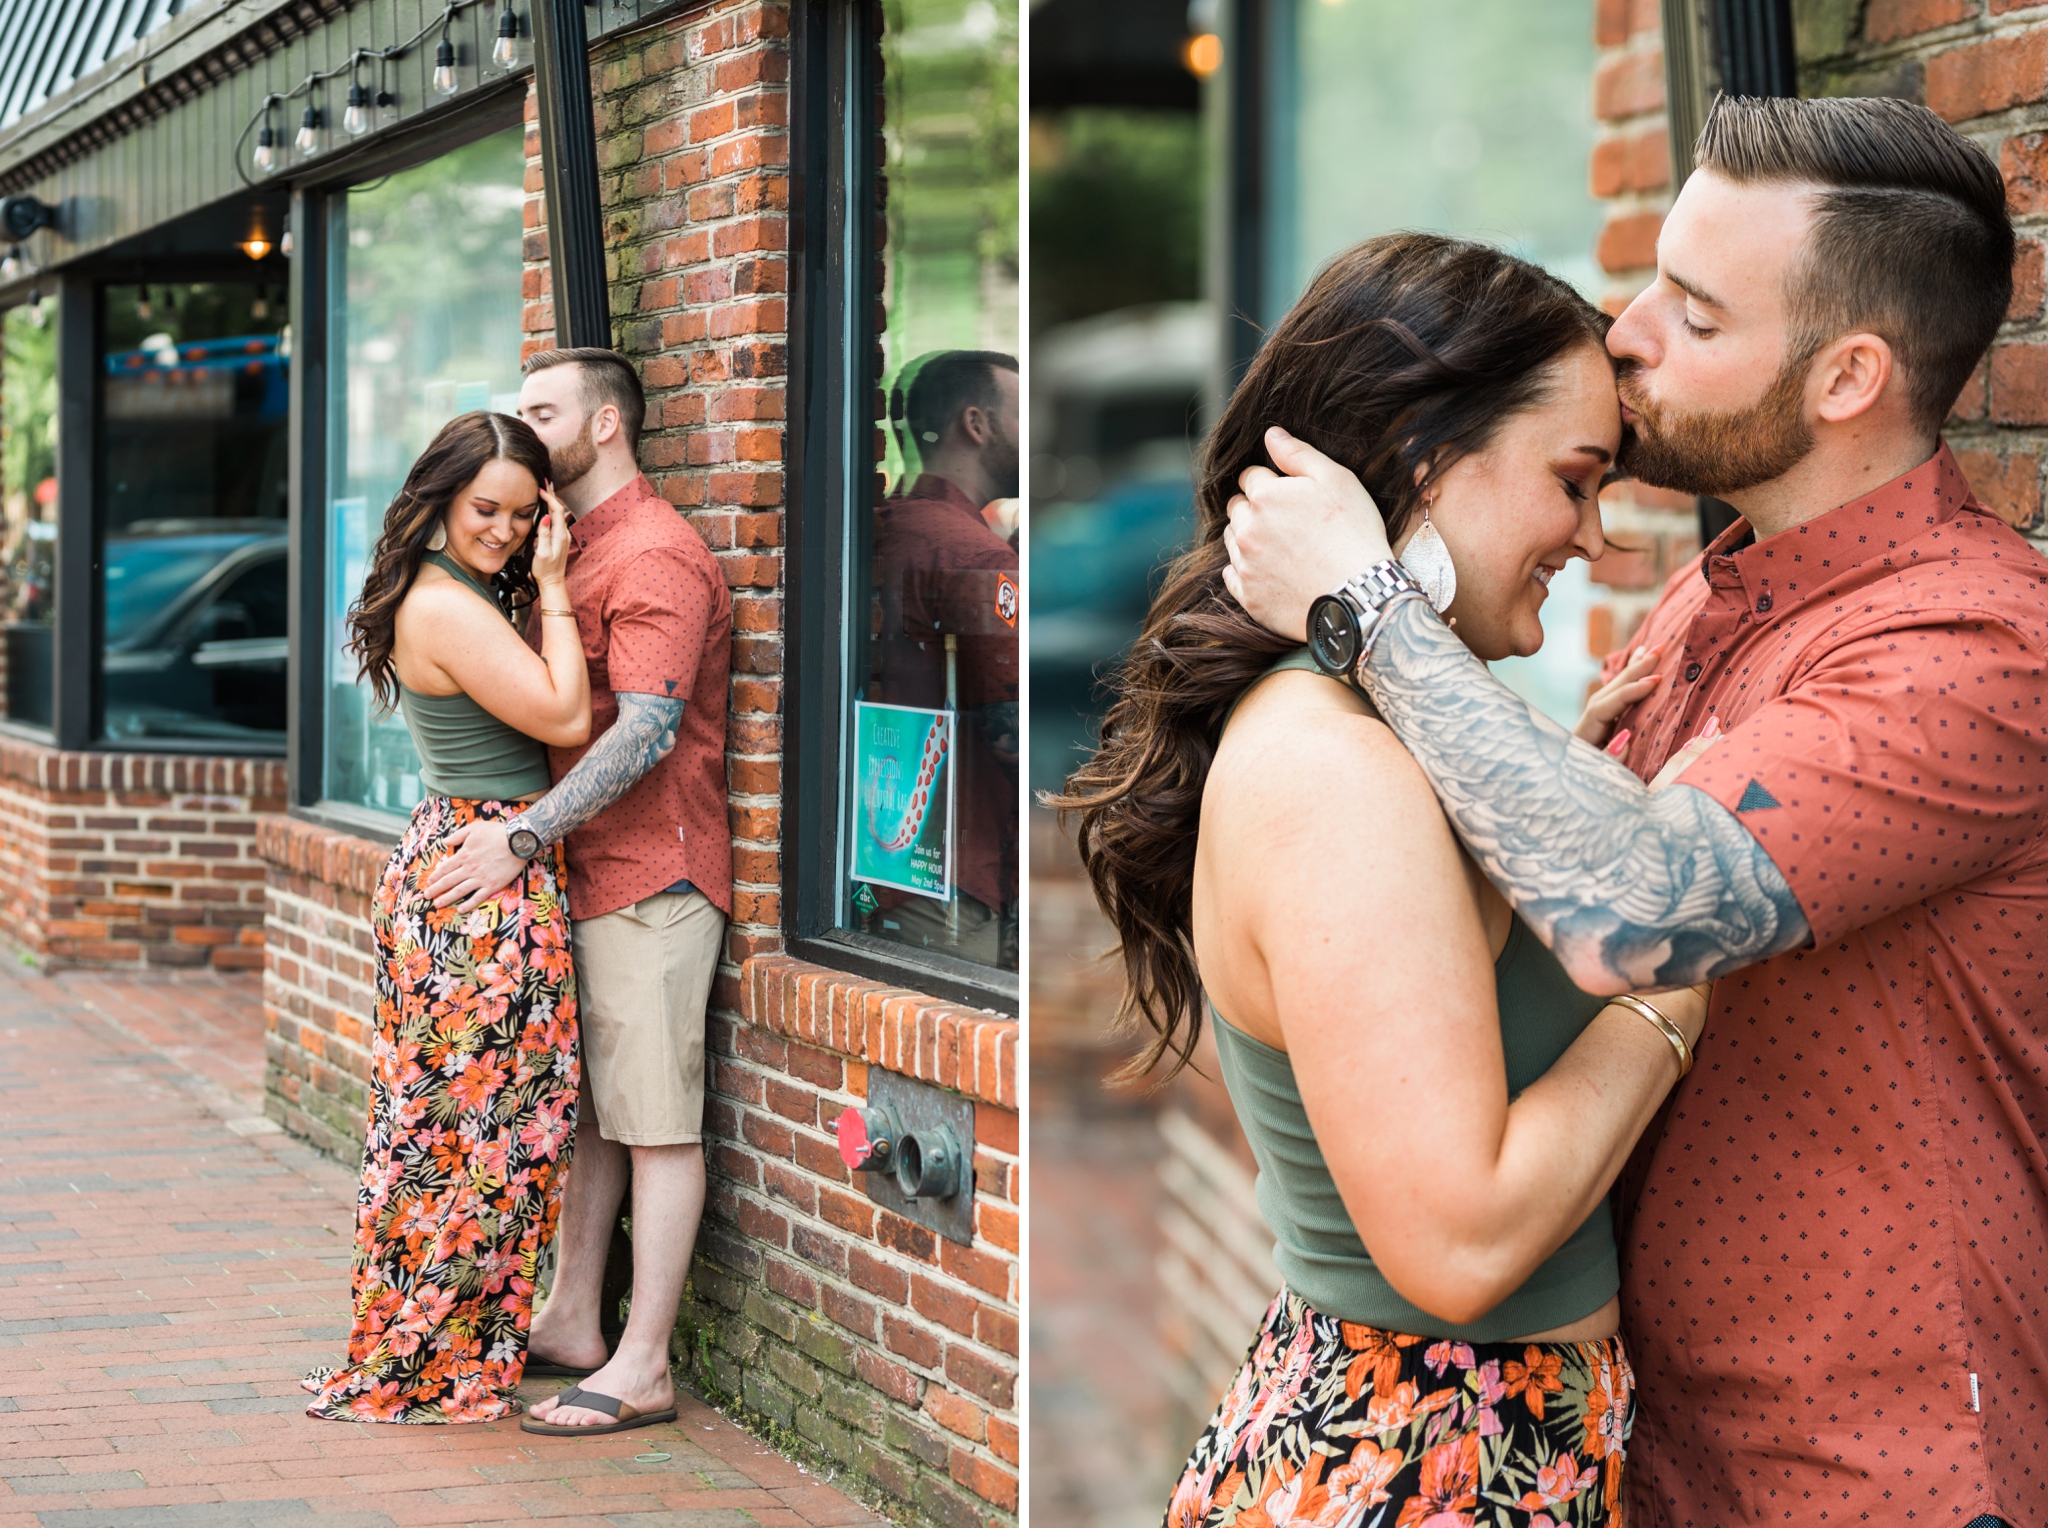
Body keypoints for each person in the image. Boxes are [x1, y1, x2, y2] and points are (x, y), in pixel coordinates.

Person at [1224, 95, 2047, 1525]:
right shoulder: (1703, 601)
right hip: (1643, 1447)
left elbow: (1642, 911)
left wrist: (1367, 607)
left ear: (1847, 375)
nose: (1629, 332)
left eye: (1696, 309)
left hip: (1866, 1464)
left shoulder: (1975, 648)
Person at [1060, 234, 1724, 1525]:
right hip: (1423, 1454)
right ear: (1425, 459)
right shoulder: (1332, 772)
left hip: (1462, 1439)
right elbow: (1459, 1238)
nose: (1593, 534)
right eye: (1573, 481)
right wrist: (1672, 992)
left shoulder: (1392, 729)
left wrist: (1553, 783)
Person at [420, 345, 733, 1438]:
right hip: (581, 876)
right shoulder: (570, 546)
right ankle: (569, 1318)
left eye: (543, 408)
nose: (522, 419)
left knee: (655, 1124)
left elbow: (644, 732)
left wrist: (523, 833)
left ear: (605, 425)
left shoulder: (654, 552)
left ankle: (643, 1362)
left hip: (651, 878)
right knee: (597, 1117)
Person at [304, 411, 588, 1424]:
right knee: (482, 1123)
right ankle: (435, 1356)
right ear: (437, 497)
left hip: (468, 854)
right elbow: (563, 717)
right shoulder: (445, 604)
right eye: (486, 509)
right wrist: (554, 589)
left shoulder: (450, 585)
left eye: (525, 513)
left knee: (458, 1118)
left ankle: (435, 1344)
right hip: (484, 871)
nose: (506, 530)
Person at [867, 349, 1021, 968]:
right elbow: (1015, 732)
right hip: (958, 875)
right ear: (977, 425)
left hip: (882, 858)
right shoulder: (974, 556)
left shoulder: (881, 525)